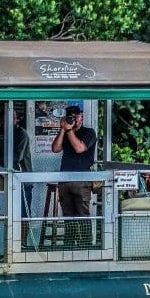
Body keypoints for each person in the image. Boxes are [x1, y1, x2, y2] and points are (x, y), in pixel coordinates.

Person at [51, 104, 97, 245]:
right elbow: (55, 148)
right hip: (65, 179)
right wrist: (63, 130)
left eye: (77, 116)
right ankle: (69, 243)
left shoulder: (89, 132)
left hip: (82, 180)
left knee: (83, 214)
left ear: (82, 117)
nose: (74, 119)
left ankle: (86, 244)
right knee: (68, 214)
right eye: (71, 117)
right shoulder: (65, 132)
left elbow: (79, 148)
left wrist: (69, 130)